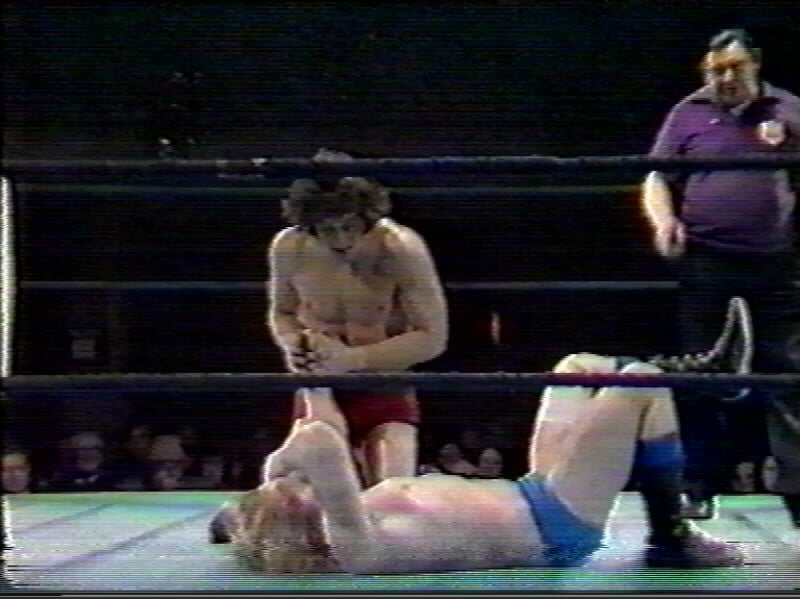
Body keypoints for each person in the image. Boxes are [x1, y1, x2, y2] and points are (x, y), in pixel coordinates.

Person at [210, 304, 751, 573]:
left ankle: (703, 379)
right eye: (295, 491)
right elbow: (319, 438)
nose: (299, 482)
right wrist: (279, 466)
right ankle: (672, 534)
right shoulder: (353, 543)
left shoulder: (347, 523)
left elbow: (313, 440)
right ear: (300, 516)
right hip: (557, 523)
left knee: (575, 368)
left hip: (533, 490)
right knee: (638, 385)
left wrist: (253, 503)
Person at [641, 28, 800, 525]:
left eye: (734, 68)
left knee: (788, 372)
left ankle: (798, 491)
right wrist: (664, 220)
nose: (724, 79)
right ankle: (699, 484)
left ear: (755, 63)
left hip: (776, 259)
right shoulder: (688, 111)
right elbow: (656, 175)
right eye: (715, 71)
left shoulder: (788, 108)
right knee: (700, 370)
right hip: (706, 258)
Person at [266, 154, 448, 487]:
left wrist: (352, 359)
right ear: (309, 224)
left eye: (349, 226)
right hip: (320, 386)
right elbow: (283, 313)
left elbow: (433, 337)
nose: (341, 240)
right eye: (327, 230)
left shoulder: (398, 247)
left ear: (367, 216)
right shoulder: (289, 246)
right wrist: (293, 346)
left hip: (384, 384)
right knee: (305, 491)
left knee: (393, 491)